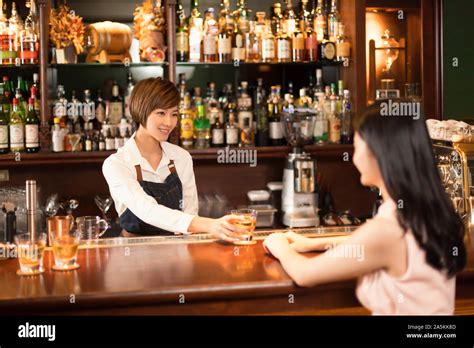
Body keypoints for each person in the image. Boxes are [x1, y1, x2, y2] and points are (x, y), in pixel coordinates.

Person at [263, 102, 467, 315]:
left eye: (357, 148)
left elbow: (305, 274)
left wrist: (278, 245)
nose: (354, 158)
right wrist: (316, 243)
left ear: (380, 155)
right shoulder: (427, 211)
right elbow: (377, 246)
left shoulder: (388, 229)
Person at [102, 77, 245, 242]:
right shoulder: (117, 164)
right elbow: (147, 210)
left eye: (174, 114)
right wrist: (209, 225)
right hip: (133, 253)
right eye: (161, 113)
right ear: (140, 111)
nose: (169, 122)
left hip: (176, 249)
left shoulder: (181, 157)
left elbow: (190, 214)